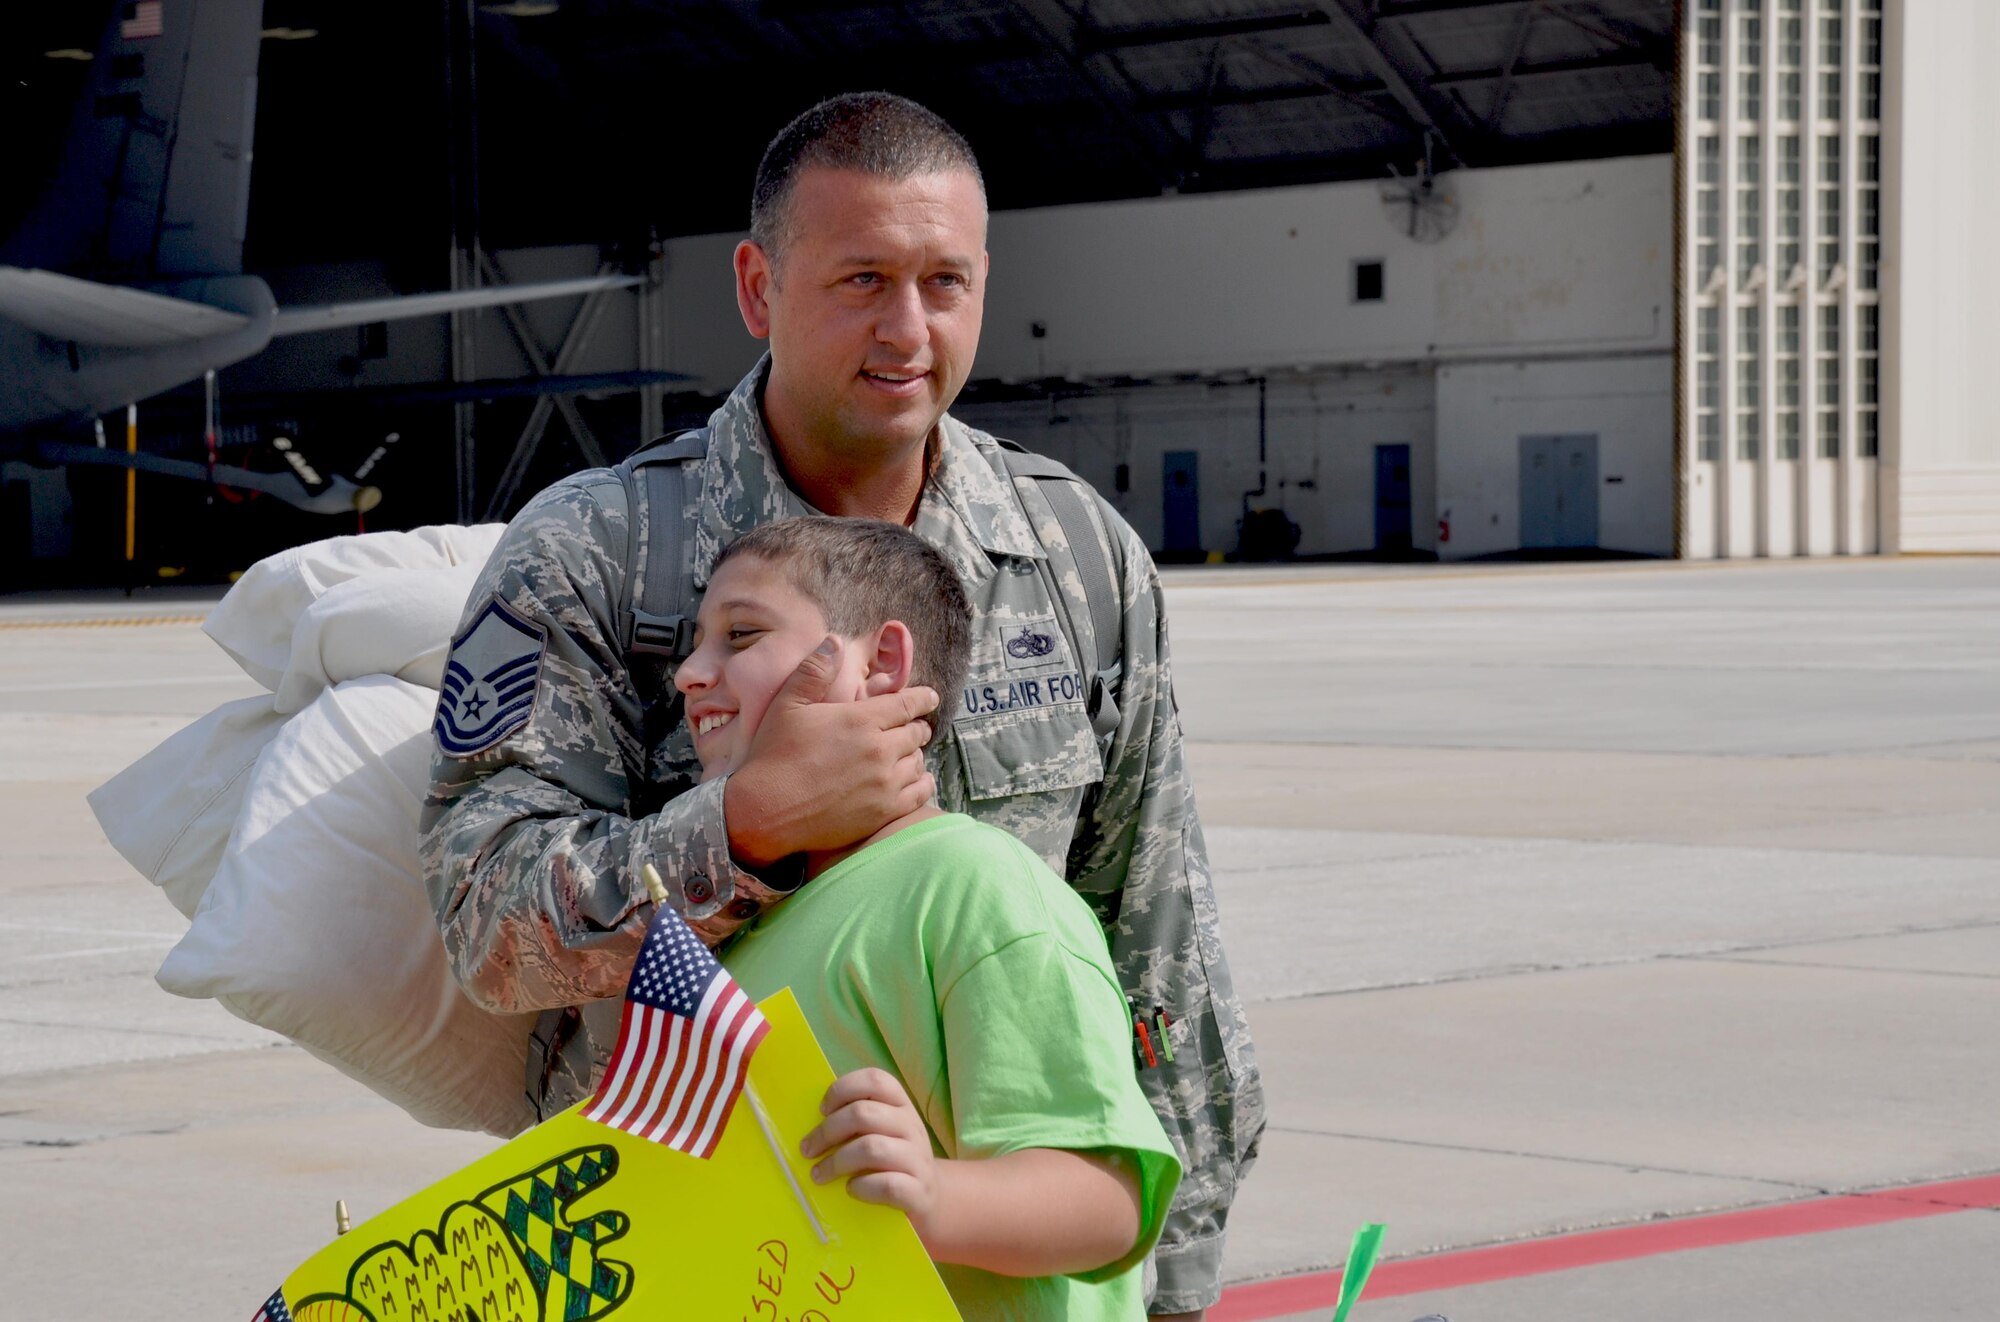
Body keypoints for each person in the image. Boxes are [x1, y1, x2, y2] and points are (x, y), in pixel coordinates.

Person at [423, 90, 1261, 1318]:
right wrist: (742, 827)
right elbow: (483, 923)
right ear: (759, 288)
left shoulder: (1075, 554)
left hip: (1003, 1274)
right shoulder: (598, 555)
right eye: (862, 278)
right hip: (693, 1264)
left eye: (944, 282)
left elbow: (1154, 947)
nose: (908, 329)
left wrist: (1174, 1286)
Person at [677, 515, 1182, 1319]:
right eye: (695, 642)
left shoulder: (970, 886)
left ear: (882, 665)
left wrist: (936, 1197)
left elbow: (1108, 1203)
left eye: (741, 635)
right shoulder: (743, 921)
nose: (690, 673)